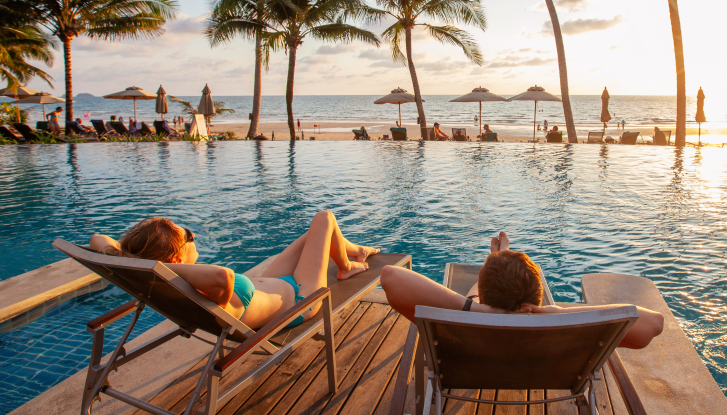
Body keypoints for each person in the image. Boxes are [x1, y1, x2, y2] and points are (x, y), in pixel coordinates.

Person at [89, 210, 378, 330]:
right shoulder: (204, 281)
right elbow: (225, 277)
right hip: (300, 301)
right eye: (188, 234)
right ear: (174, 260)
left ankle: (356, 252)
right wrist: (160, 267)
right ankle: (346, 266)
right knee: (324, 218)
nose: (194, 236)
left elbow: (98, 239)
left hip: (272, 285)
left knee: (313, 234)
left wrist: (127, 257)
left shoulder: (172, 277)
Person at [381, 232, 665, 349]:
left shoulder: (470, 316)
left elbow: (390, 277)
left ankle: (494, 262)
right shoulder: (556, 326)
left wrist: (476, 307)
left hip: (475, 350)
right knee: (515, 275)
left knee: (475, 294)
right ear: (536, 297)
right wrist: (556, 313)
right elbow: (654, 322)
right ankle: (499, 260)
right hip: (541, 367)